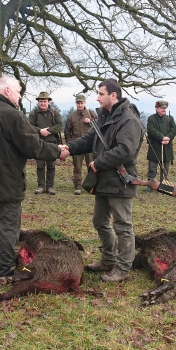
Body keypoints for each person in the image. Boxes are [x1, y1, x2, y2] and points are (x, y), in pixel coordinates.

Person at [0, 76, 62, 283]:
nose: (19, 97)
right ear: (8, 91)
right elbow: (33, 146)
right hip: (5, 183)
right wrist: (58, 151)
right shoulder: (12, 115)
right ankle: (4, 272)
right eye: (18, 92)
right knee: (8, 229)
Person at [60, 78, 144, 282]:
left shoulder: (128, 120)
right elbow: (90, 140)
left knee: (123, 225)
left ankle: (123, 269)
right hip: (104, 182)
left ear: (113, 95)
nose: (97, 98)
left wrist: (98, 162)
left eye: (101, 94)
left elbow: (125, 150)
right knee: (100, 221)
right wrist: (69, 148)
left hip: (120, 181)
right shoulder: (104, 118)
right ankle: (108, 260)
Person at [28, 92, 63, 195]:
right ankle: (41, 186)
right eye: (41, 101)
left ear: (48, 102)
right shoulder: (33, 114)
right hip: (38, 143)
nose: (43, 103)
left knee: (51, 166)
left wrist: (49, 131)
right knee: (40, 166)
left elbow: (60, 125)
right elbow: (29, 126)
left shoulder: (54, 113)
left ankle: (50, 186)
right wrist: (40, 131)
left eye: (45, 101)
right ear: (38, 102)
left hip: (52, 144)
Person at [64, 94, 96, 195]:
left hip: (89, 145)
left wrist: (91, 121)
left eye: (81, 103)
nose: (80, 105)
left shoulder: (91, 114)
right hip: (77, 145)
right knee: (77, 166)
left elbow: (100, 126)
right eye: (78, 103)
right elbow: (67, 132)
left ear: (85, 103)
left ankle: (91, 186)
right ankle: (77, 185)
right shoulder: (71, 116)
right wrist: (70, 144)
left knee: (91, 166)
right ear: (76, 104)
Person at [145, 100, 176, 192]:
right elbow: (151, 130)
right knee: (152, 168)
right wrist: (161, 137)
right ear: (157, 108)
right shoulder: (151, 118)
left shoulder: (170, 118)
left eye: (165, 108)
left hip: (167, 146)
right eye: (162, 108)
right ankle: (150, 185)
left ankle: (164, 186)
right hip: (154, 146)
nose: (164, 109)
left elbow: (174, 129)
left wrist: (168, 138)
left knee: (165, 168)